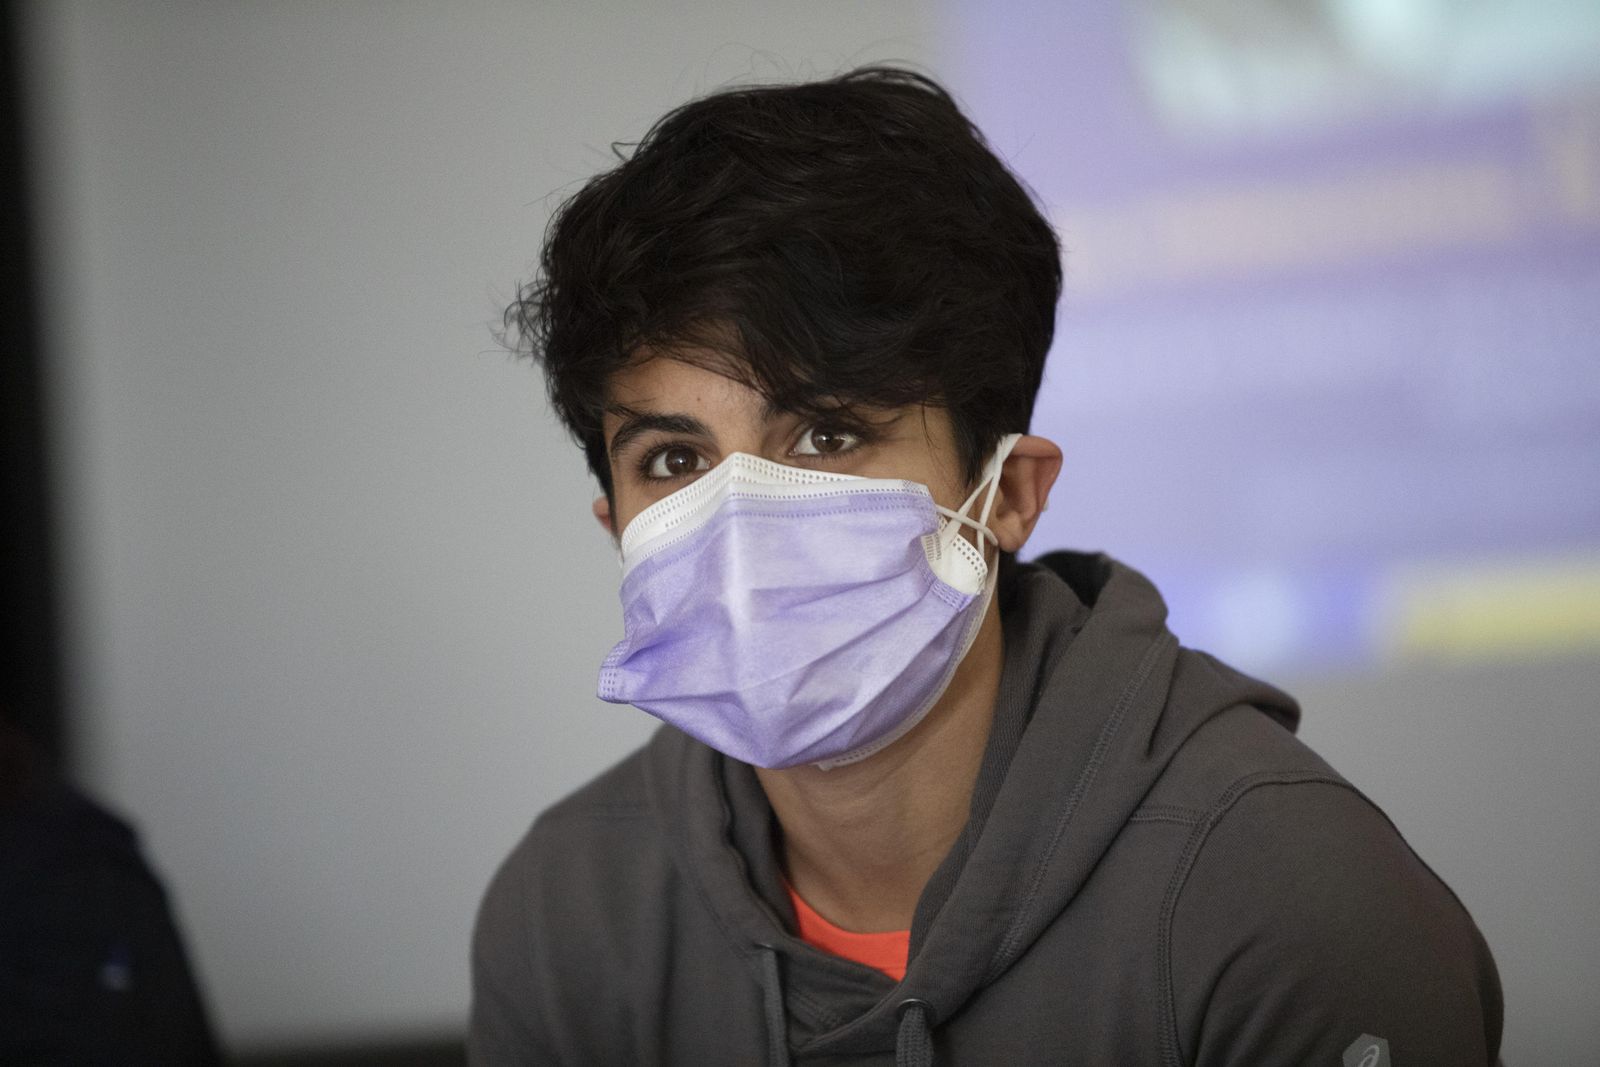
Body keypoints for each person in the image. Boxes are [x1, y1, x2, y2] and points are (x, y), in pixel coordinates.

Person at [469, 67, 1502, 1066]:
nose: (739, 519)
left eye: (827, 436)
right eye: (675, 459)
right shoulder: (568, 905)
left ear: (1006, 494)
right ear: (617, 525)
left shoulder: (1284, 894)